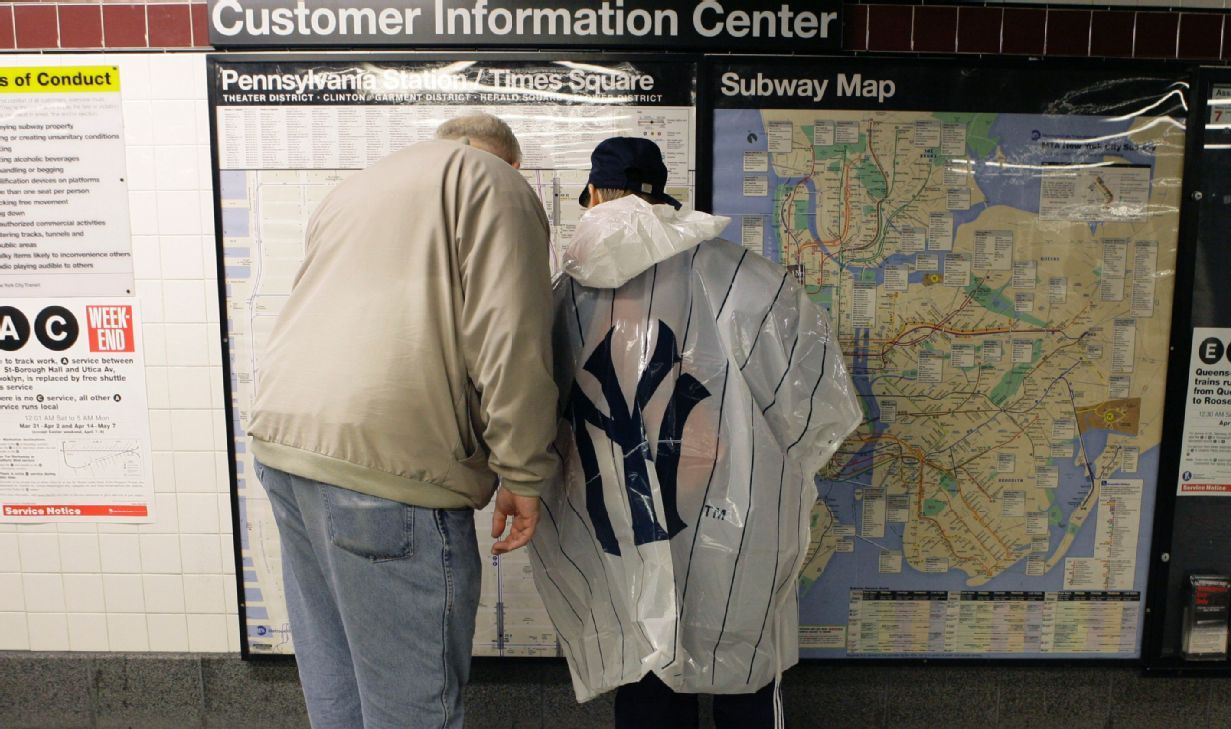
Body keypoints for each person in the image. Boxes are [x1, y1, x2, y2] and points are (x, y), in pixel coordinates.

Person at [530, 137, 862, 728]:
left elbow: (534, 412)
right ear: (663, 193)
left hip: (616, 526)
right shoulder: (750, 281)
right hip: (737, 528)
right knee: (748, 671)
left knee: (648, 670)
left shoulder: (561, 297)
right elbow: (817, 412)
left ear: (592, 194)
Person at [248, 113, 558, 729]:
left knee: (339, 682)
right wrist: (523, 474)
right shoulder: (493, 183)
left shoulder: (355, 188)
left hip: (284, 447)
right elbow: (512, 340)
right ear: (510, 162)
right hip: (388, 471)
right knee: (413, 707)